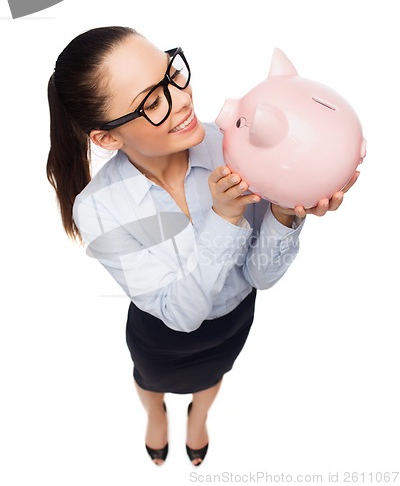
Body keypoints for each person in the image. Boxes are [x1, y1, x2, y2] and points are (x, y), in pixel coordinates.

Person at [46, 26, 359, 466]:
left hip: (233, 318)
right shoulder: (99, 209)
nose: (181, 99)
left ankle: (199, 417)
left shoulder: (237, 146)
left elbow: (260, 278)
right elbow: (180, 315)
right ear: (107, 138)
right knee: (150, 379)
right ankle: (155, 415)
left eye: (172, 74)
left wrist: (287, 211)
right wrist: (225, 217)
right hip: (160, 334)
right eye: (152, 103)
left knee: (214, 375)